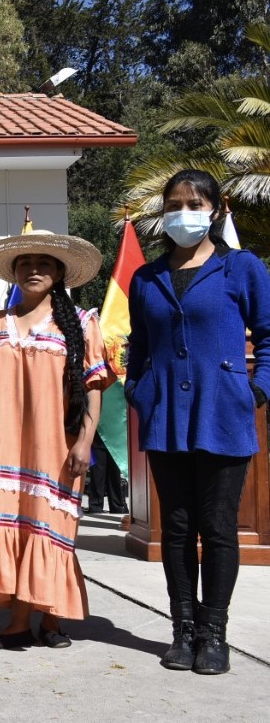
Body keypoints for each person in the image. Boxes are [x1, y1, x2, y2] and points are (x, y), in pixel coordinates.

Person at [126, 169, 270, 675]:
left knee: (219, 527)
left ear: (214, 208)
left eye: (193, 202)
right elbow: (137, 345)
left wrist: (257, 388)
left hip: (224, 414)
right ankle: (182, 631)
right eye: (174, 203)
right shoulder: (146, 277)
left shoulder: (242, 268)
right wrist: (138, 391)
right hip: (166, 416)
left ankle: (214, 634)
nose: (183, 212)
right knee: (179, 529)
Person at [0, 230, 113, 649]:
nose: (34, 270)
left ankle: (50, 619)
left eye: (44, 263)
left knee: (49, 529)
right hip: (6, 451)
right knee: (12, 527)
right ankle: (18, 620)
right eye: (26, 263)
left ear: (60, 273)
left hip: (58, 448)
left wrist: (84, 442)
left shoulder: (82, 324)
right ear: (14, 272)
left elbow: (94, 387)